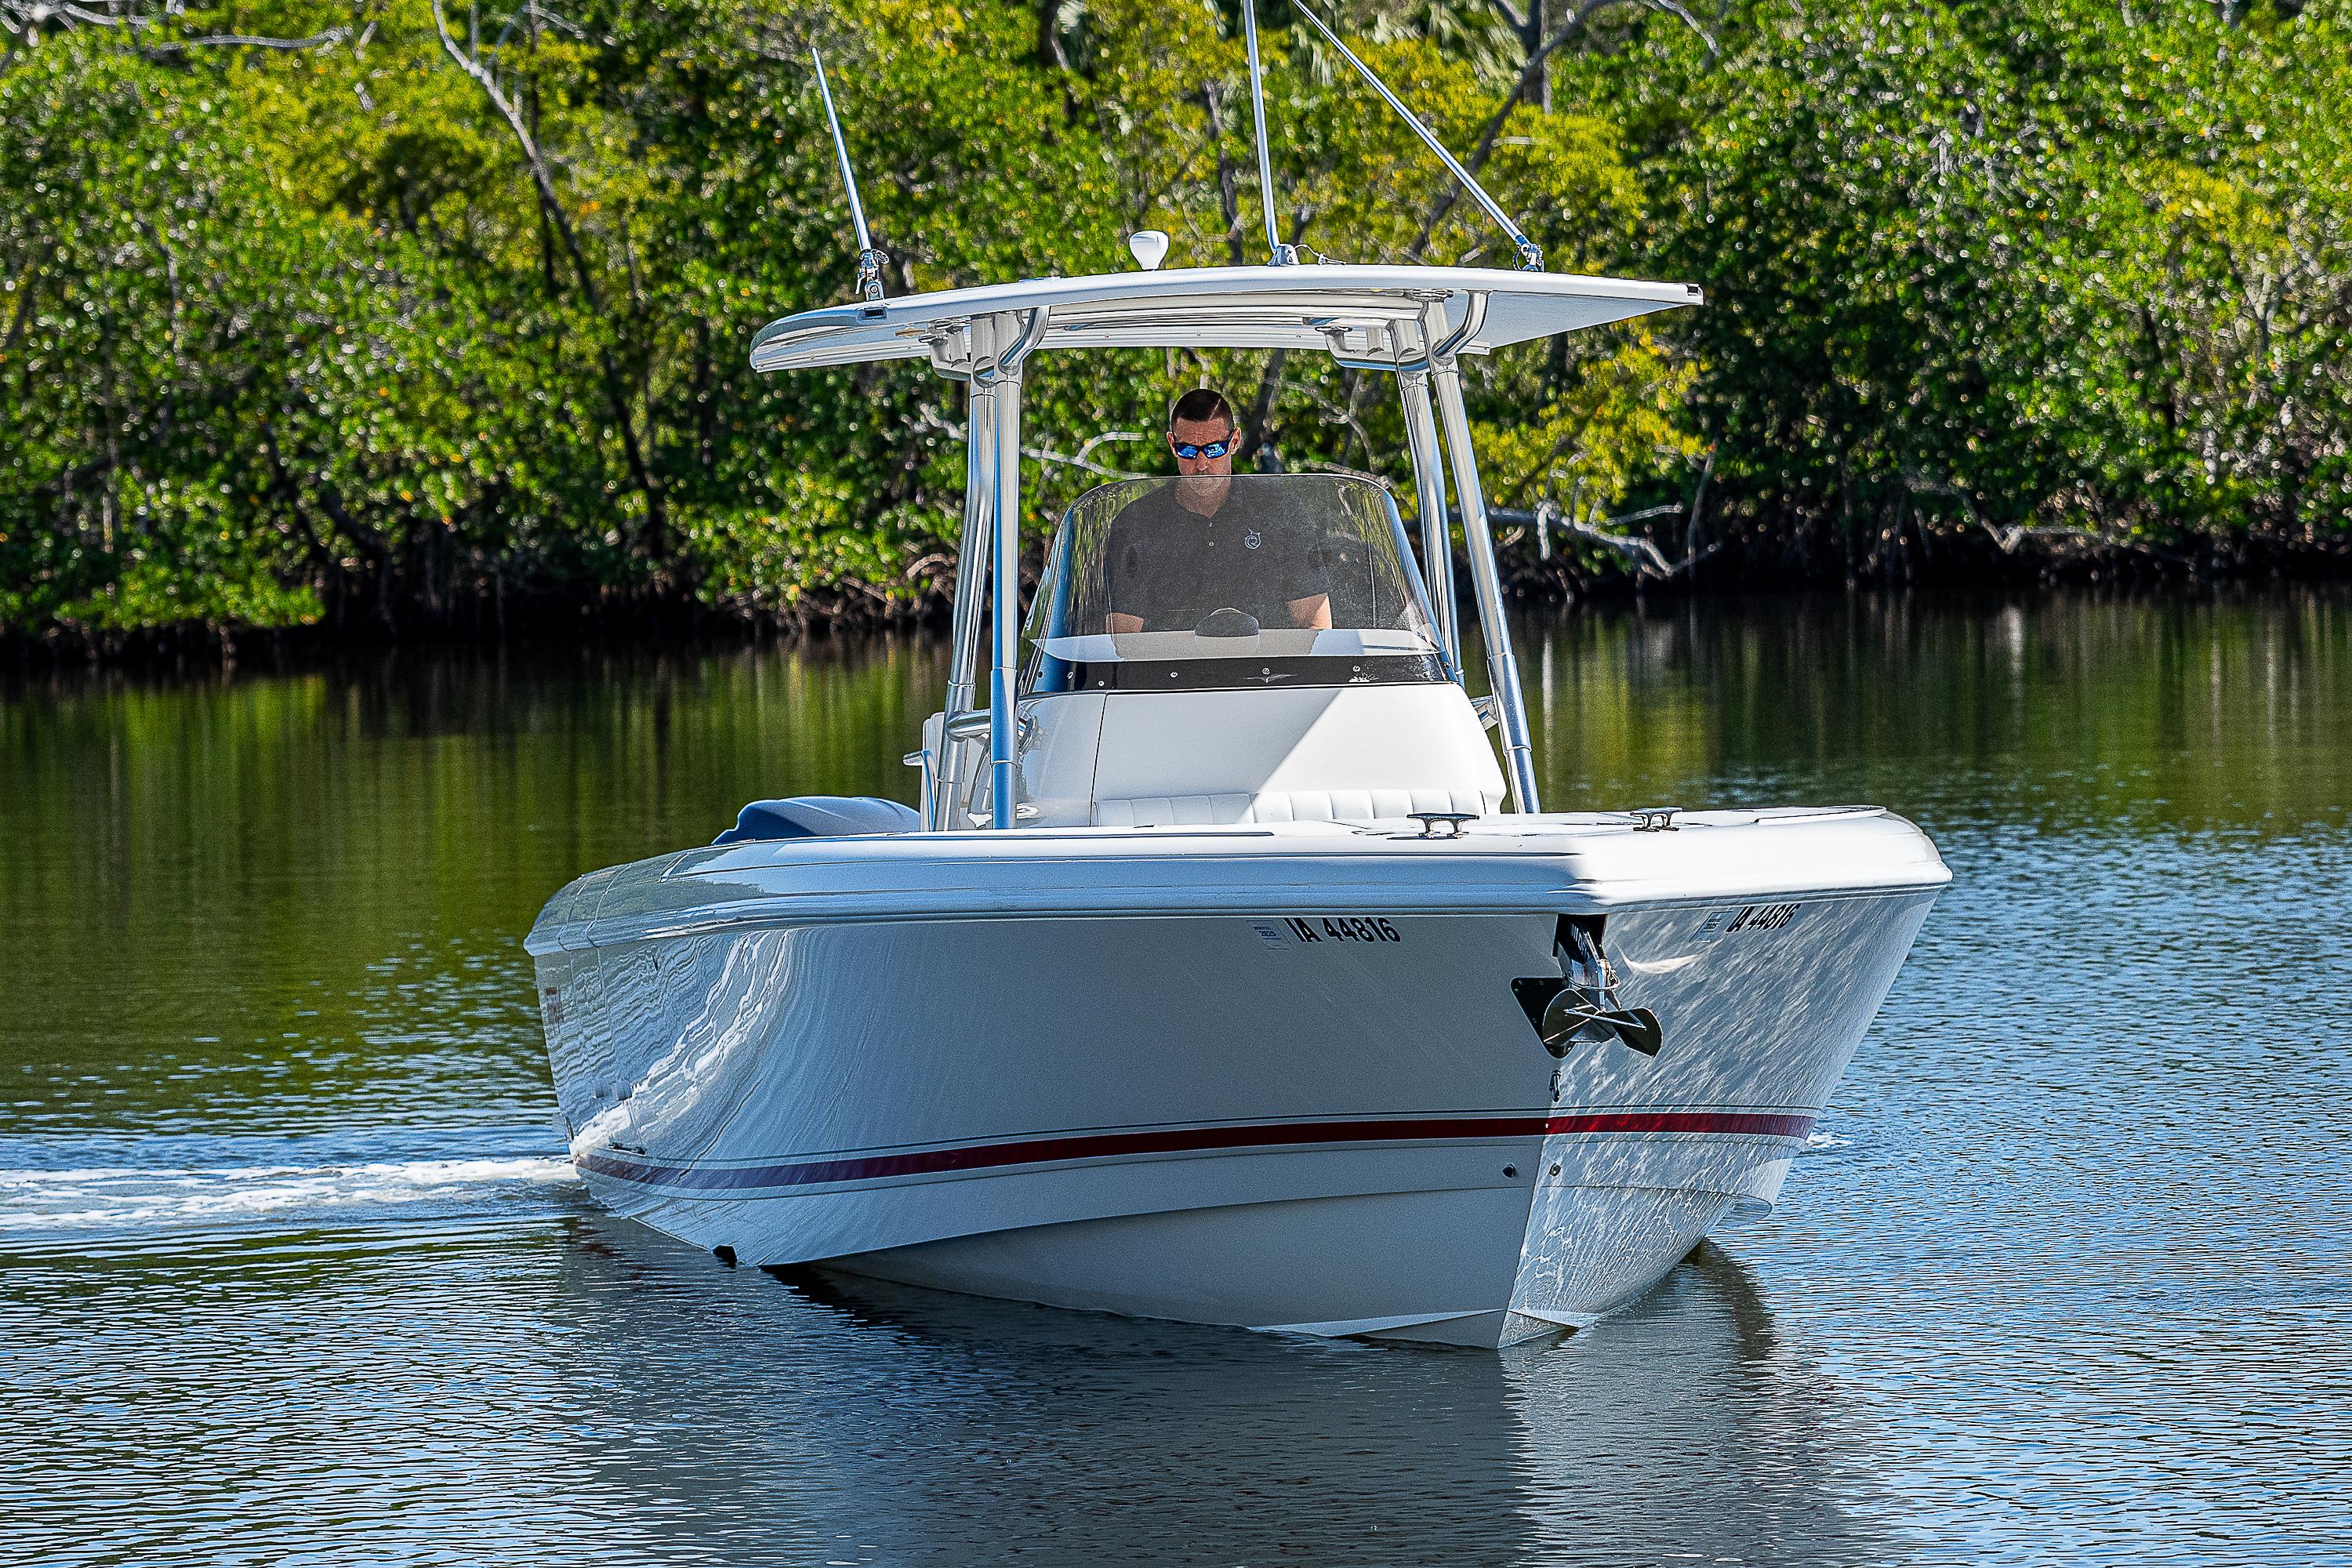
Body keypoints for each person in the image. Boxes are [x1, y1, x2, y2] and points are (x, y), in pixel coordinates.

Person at [1102, 390, 1334, 634]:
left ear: (1234, 442)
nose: (1201, 464)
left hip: (1267, 660)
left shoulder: (1280, 512)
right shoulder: (1138, 522)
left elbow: (1315, 627)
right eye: (1188, 451)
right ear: (1172, 444)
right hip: (1171, 660)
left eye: (1213, 450)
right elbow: (1122, 639)